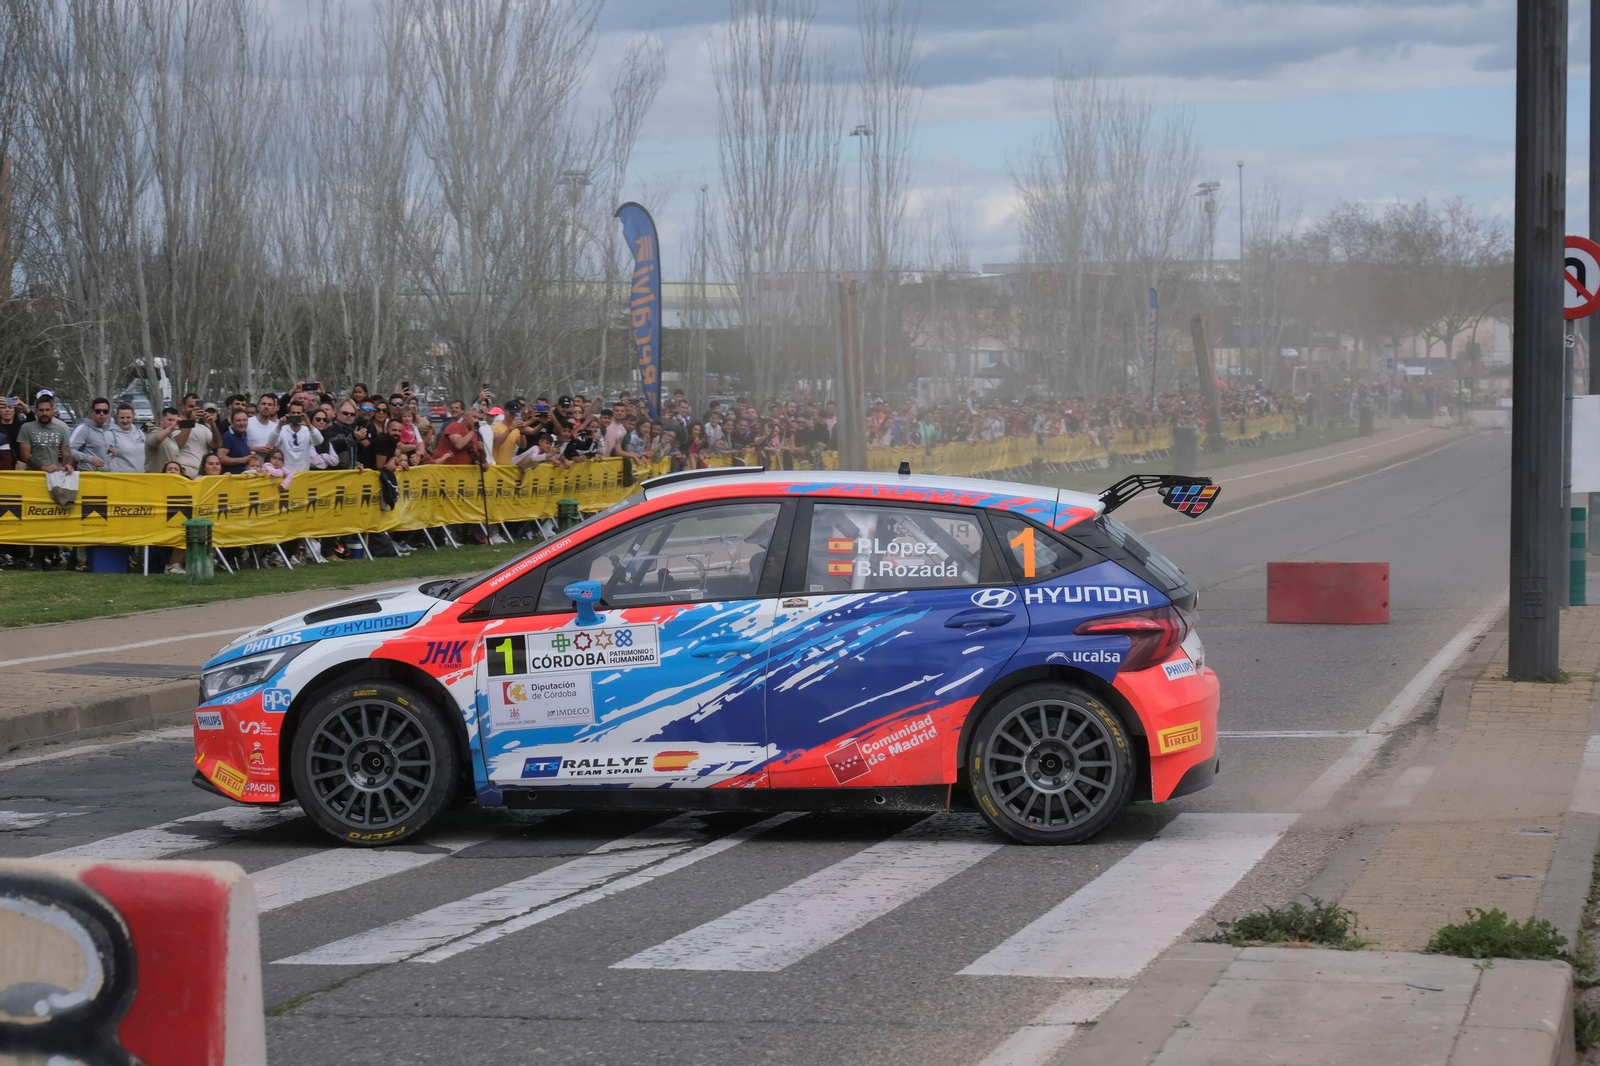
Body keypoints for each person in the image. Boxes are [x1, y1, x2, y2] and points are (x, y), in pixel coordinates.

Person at [17, 394, 72, 473]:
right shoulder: (26, 428)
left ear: (53, 411)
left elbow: (67, 454)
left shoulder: (61, 429)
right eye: (41, 410)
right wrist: (43, 466)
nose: (44, 413)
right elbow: (25, 455)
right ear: (36, 411)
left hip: (54, 474)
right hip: (33, 475)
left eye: (47, 410)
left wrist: (67, 465)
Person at [274, 401, 323, 473]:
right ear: (288, 414)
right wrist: (279, 426)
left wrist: (309, 425)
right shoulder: (282, 429)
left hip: (303, 474)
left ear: (303, 414)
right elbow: (272, 443)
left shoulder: (307, 430)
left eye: (298, 413)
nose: (295, 415)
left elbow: (319, 441)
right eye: (293, 413)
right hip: (285, 474)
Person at [172, 403, 214, 478]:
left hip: (201, 473)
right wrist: (191, 420)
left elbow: (217, 445)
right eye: (191, 406)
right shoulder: (175, 425)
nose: (194, 410)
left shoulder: (203, 428)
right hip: (185, 471)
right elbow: (179, 443)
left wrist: (213, 424)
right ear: (182, 407)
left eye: (196, 407)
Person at [105, 403, 145, 473]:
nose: (125, 421)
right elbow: (109, 461)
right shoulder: (110, 435)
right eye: (122, 418)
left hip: (141, 478)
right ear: (117, 417)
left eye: (128, 417)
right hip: (123, 479)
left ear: (133, 416)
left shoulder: (140, 433)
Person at [219, 409, 254, 473]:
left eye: (244, 420)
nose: (242, 423)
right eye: (238, 420)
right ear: (232, 422)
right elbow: (221, 458)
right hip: (230, 479)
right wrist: (241, 460)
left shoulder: (245, 435)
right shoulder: (228, 436)